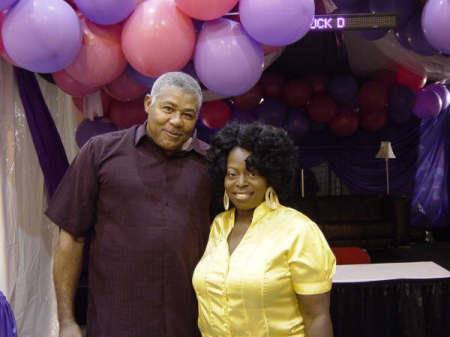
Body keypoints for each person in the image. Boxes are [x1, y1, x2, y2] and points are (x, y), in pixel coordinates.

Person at [47, 72, 213, 337]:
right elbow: (70, 237)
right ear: (148, 104)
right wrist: (66, 320)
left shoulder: (210, 164)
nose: (176, 121)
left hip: (188, 323)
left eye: (187, 115)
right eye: (168, 108)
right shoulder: (100, 153)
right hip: (116, 320)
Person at [193, 122, 336, 337]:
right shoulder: (218, 226)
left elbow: (317, 317)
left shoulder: (298, 230)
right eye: (232, 174)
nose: (240, 183)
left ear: (270, 176)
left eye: (252, 174)